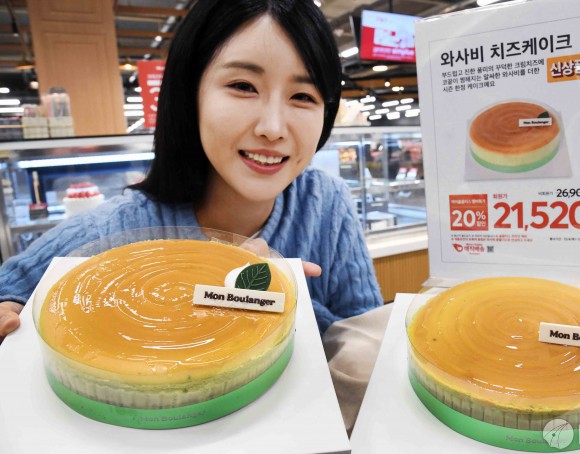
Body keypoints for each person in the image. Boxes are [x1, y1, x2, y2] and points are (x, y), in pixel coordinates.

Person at [0, 0, 383, 344]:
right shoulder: (115, 230)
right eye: (243, 86)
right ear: (190, 95)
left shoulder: (325, 202)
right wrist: (12, 310)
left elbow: (366, 343)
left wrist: (280, 296)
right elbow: (11, 289)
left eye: (302, 96)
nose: (273, 128)